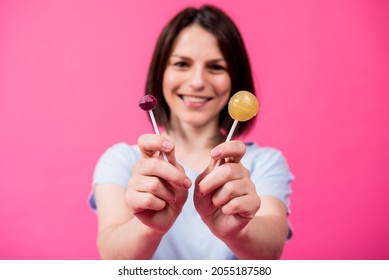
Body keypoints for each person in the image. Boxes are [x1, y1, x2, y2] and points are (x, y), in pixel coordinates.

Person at [89, 4, 293, 260]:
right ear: (160, 72)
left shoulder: (263, 163)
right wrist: (148, 228)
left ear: (235, 79)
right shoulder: (123, 161)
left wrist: (236, 232)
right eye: (182, 64)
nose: (197, 82)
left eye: (216, 67)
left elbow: (271, 251)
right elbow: (112, 256)